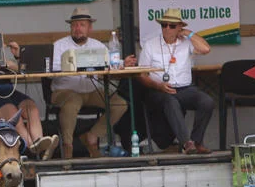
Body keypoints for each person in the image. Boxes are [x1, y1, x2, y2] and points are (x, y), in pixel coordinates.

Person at [51, 8, 136, 159]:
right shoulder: (60, 45)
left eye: (82, 25)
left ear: (90, 28)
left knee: (119, 104)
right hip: (65, 91)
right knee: (72, 102)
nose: (78, 29)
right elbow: (54, 68)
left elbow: (109, 63)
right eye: (75, 25)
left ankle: (91, 136)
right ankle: (68, 147)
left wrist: (124, 63)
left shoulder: (98, 45)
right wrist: (79, 65)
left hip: (92, 90)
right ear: (71, 27)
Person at [137, 9, 214, 154]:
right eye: (164, 25)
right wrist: (158, 85)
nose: (167, 29)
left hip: (184, 89)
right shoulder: (150, 45)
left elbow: (205, 49)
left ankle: (197, 142)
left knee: (207, 101)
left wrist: (188, 33)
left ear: (179, 27)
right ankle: (186, 143)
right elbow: (141, 74)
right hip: (158, 90)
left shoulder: (186, 43)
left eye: (172, 26)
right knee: (170, 101)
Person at [0, 41, 59, 160]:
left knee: (31, 108)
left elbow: (26, 69)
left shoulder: (5, 59)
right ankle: (33, 148)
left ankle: (39, 144)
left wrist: (18, 56)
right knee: (14, 114)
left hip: (8, 90)